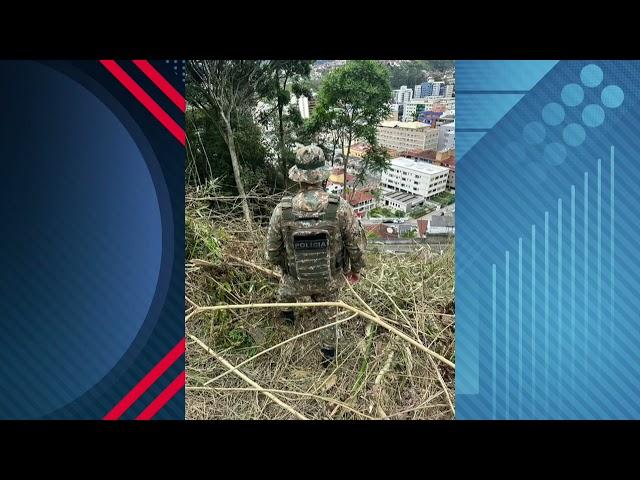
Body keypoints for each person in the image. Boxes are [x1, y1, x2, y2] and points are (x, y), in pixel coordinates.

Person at [266, 145, 366, 367]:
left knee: (284, 293)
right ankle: (328, 359)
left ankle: (288, 321)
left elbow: (272, 253)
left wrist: (284, 266)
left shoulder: (282, 211)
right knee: (329, 316)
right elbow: (356, 247)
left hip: (294, 281)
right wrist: (355, 270)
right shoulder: (341, 208)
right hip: (329, 281)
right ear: (323, 176)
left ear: (298, 177)